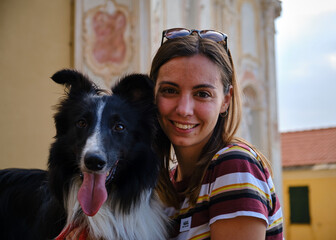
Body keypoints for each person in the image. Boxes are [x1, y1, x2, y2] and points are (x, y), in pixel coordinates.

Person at [150, 28, 283, 240]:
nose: (184, 109)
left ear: (226, 100)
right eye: (170, 90)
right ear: (152, 95)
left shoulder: (234, 165)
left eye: (202, 94)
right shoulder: (170, 185)